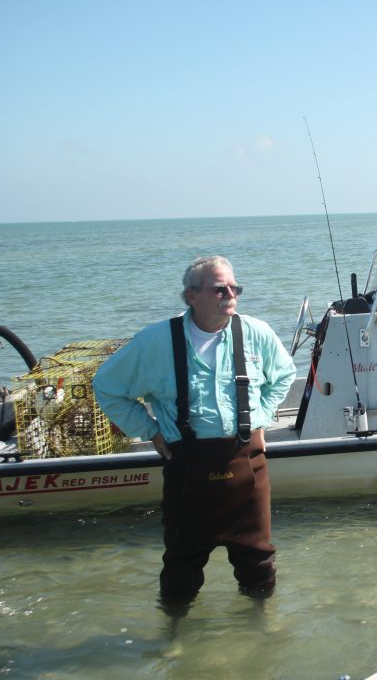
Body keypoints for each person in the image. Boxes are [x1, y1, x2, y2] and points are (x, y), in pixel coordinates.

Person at [93, 255, 296, 609]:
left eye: (235, 287)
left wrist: (260, 416)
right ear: (192, 296)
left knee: (259, 565)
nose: (230, 294)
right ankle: (173, 639)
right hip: (187, 468)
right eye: (220, 289)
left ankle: (262, 631)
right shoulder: (154, 341)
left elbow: (283, 376)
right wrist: (150, 431)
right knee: (180, 569)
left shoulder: (256, 333)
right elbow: (107, 387)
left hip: (247, 465)